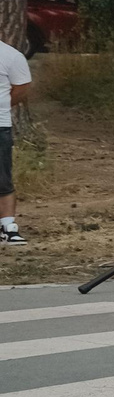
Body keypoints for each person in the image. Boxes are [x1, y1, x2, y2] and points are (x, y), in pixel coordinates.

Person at [0, 33, 27, 244]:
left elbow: (20, 89)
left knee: (3, 178)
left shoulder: (11, 56)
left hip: (0, 126)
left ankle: (8, 227)